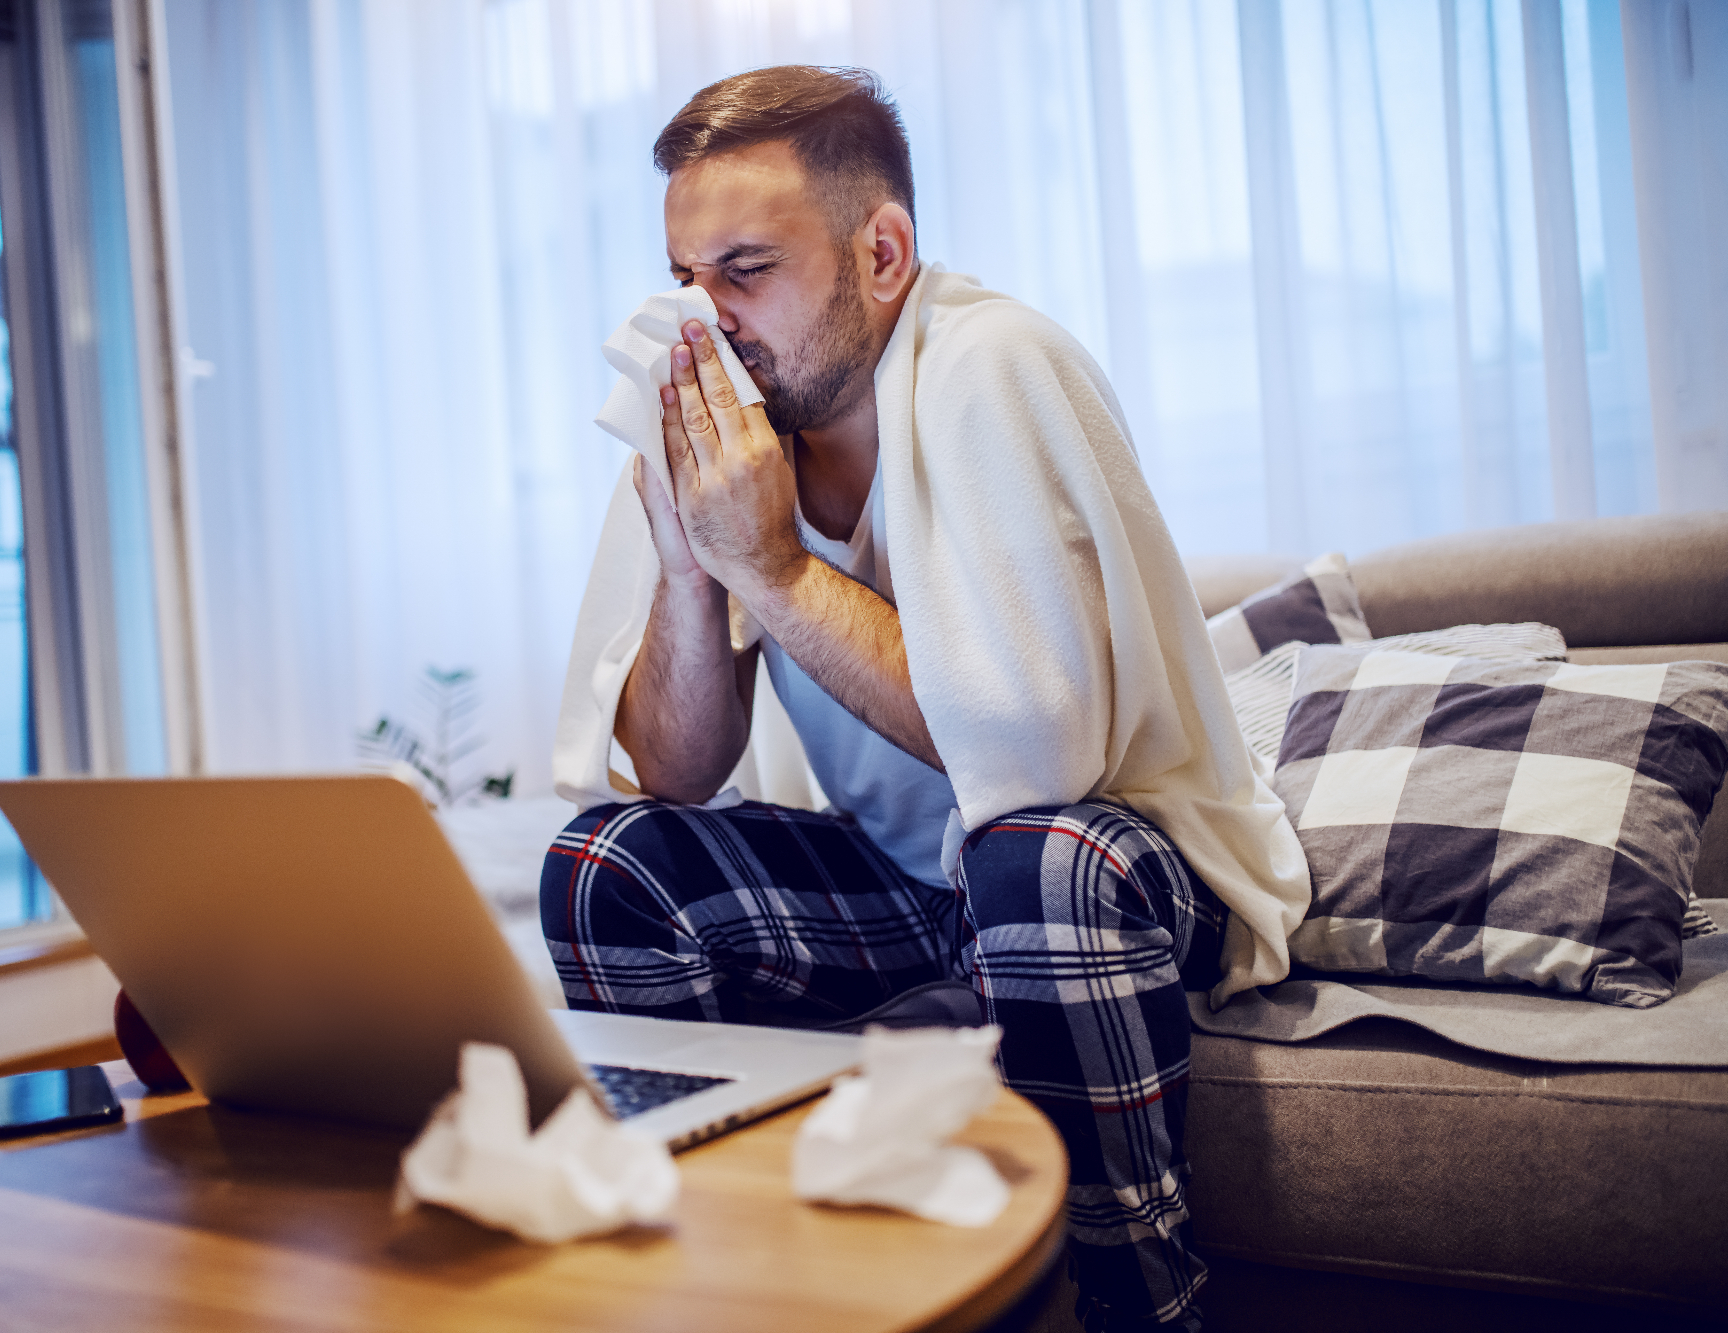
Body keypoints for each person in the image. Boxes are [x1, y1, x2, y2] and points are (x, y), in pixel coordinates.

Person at [544, 66, 1310, 1332]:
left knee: (1036, 860)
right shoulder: (725, 420)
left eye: (745, 270)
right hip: (914, 889)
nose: (703, 320)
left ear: (881, 252)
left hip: (1128, 872)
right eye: (684, 278)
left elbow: (1034, 757)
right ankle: (733, 1287)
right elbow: (672, 774)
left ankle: (1135, 1303)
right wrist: (693, 568)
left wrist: (775, 569)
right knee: (608, 866)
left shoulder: (991, 365)